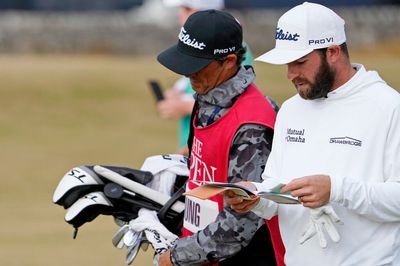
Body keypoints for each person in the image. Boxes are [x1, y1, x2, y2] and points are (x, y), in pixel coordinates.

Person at [225, 2, 400, 265]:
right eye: (287, 63)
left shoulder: (388, 107)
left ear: (332, 52)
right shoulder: (290, 110)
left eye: (300, 62)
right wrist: (255, 196)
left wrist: (337, 189)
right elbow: (279, 191)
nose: (290, 74)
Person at [156, 9, 284, 266]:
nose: (188, 74)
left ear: (228, 61)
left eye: (198, 65)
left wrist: (176, 257)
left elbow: (242, 222)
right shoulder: (206, 97)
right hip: (201, 253)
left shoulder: (252, 125)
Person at [158, 0, 254, 154]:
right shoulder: (199, 52)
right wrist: (175, 94)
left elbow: (234, 101)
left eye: (187, 9)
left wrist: (183, 106)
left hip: (210, 152)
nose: (181, 16)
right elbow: (186, 83)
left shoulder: (234, 48)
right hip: (194, 146)